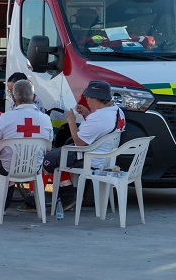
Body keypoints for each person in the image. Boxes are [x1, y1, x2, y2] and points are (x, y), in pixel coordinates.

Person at [40, 79, 126, 210]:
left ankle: (59, 195)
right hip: (106, 157)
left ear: (96, 98)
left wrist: (71, 121)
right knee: (56, 155)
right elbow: (99, 130)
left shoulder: (98, 118)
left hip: (91, 159)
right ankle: (66, 192)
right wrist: (87, 115)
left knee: (45, 159)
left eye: (87, 96)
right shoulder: (117, 111)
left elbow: (79, 142)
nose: (85, 98)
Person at [0, 79, 53, 212]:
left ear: (13, 97)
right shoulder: (45, 119)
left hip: (8, 167)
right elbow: (48, 147)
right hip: (34, 167)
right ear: (33, 97)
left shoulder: (5, 118)